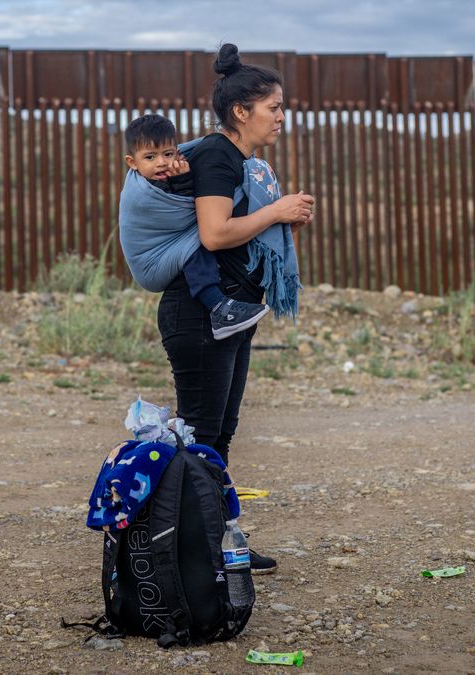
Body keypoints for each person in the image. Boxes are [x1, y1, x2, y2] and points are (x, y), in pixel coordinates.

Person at [157, 43, 315, 575]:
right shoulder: (218, 156)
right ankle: (185, 551)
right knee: (201, 434)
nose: (282, 117)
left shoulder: (239, 160)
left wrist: (277, 218)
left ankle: (217, 543)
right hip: (202, 316)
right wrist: (277, 209)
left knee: (217, 434)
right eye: (274, 107)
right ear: (241, 111)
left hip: (232, 313)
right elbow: (215, 232)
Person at [123, 113, 271, 340]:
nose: (161, 162)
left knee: (201, 238)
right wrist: (183, 181)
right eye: (150, 157)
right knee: (197, 246)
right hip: (151, 260)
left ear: (177, 151)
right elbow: (184, 210)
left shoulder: (172, 170)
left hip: (168, 249)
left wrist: (183, 177)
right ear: (132, 163)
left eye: (168, 153)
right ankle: (219, 309)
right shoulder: (143, 190)